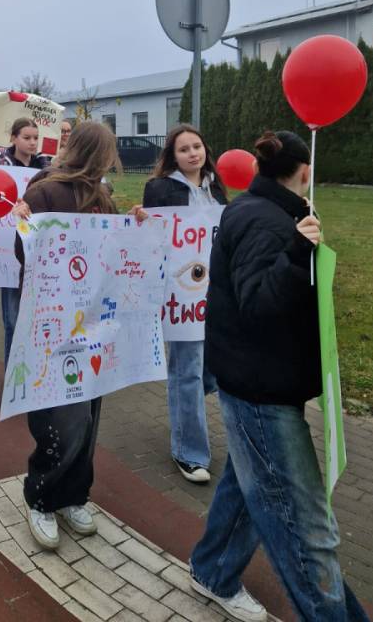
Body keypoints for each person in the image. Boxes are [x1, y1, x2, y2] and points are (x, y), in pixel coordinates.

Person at [190, 131, 370, 622]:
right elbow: (258, 304)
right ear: (305, 170)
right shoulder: (265, 221)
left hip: (258, 381)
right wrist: (295, 251)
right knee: (307, 529)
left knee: (248, 484)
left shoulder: (266, 211)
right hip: (261, 392)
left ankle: (213, 568)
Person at [13, 121, 119, 550]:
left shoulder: (104, 196)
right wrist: (23, 225)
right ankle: (41, 497)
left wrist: (136, 226)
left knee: (89, 414)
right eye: (108, 152)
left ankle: (75, 494)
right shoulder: (45, 191)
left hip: (93, 321)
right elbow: (23, 252)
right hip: (51, 322)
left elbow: (116, 248)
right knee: (61, 416)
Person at [142, 125, 228, 484]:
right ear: (172, 156)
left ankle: (184, 404)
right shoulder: (160, 189)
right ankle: (189, 452)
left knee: (209, 370)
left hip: (215, 292)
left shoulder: (216, 188)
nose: (193, 153)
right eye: (183, 149)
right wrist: (143, 221)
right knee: (187, 371)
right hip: (180, 296)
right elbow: (151, 238)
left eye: (197, 146)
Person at [0, 119, 46, 364]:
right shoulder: (1, 168)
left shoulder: (45, 168)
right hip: (7, 253)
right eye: (26, 137)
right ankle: (11, 373)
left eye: (35, 137)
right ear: (13, 138)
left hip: (36, 251)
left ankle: (31, 368)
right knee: (12, 319)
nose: (32, 142)